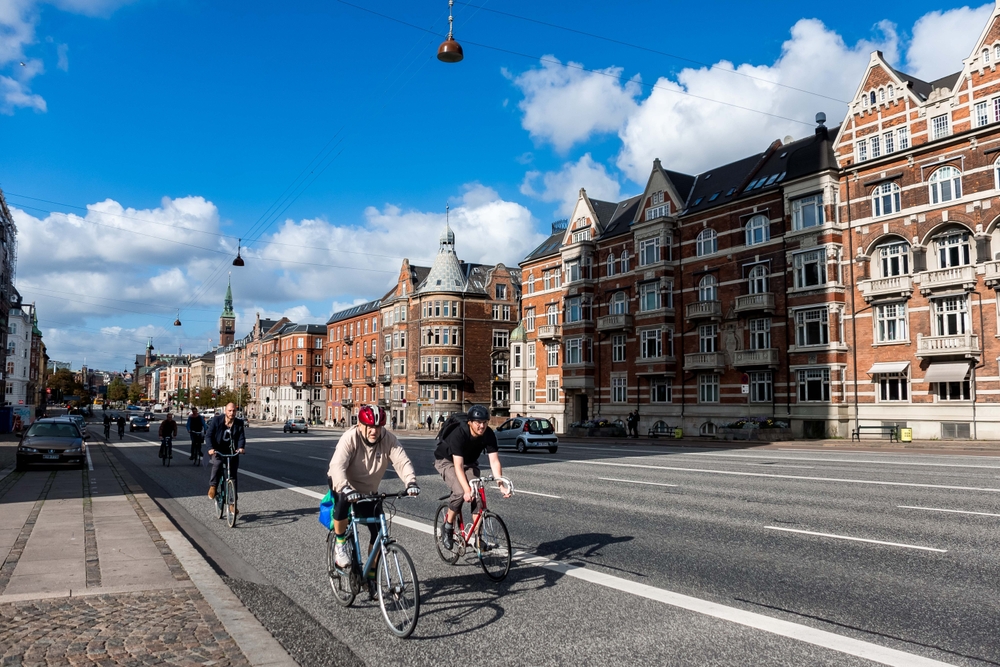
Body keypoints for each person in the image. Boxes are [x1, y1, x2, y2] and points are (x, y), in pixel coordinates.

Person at [327, 404, 419, 573]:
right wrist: (344, 487)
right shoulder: (350, 438)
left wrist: (411, 482)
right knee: (341, 501)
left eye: (377, 427)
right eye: (369, 426)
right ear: (360, 425)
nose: (373, 431)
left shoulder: (388, 439)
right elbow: (337, 465)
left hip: (368, 490)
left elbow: (402, 461)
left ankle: (371, 575)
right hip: (345, 485)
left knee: (378, 531)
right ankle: (340, 545)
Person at [434, 405, 510, 550]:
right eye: (478, 422)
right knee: (460, 492)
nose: (482, 426)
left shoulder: (488, 434)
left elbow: (494, 461)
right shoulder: (459, 434)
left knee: (478, 496)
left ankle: (478, 539)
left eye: (485, 422)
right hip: (446, 460)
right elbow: (458, 466)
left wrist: (501, 484)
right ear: (470, 422)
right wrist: (466, 490)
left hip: (469, 462)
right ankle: (448, 526)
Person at [207, 403, 247, 516]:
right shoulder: (217, 420)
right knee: (218, 464)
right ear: (225, 411)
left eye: (234, 411)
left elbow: (241, 437)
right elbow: (209, 435)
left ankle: (232, 504)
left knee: (233, 477)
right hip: (218, 450)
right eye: (230, 411)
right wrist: (210, 448)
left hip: (232, 451)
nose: (232, 413)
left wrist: (241, 448)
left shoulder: (239, 422)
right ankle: (213, 486)